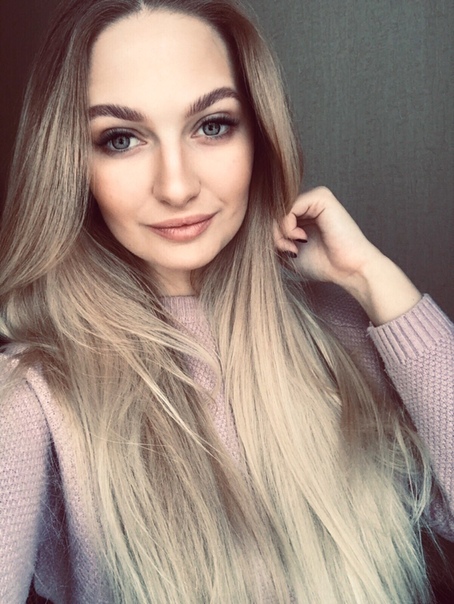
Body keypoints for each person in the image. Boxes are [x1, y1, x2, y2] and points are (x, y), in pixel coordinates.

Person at [0, 0, 453, 602]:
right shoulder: (34, 393)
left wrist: (375, 281)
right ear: (71, 165)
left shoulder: (339, 330)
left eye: (212, 126)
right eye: (121, 139)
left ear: (259, 137)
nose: (177, 185)